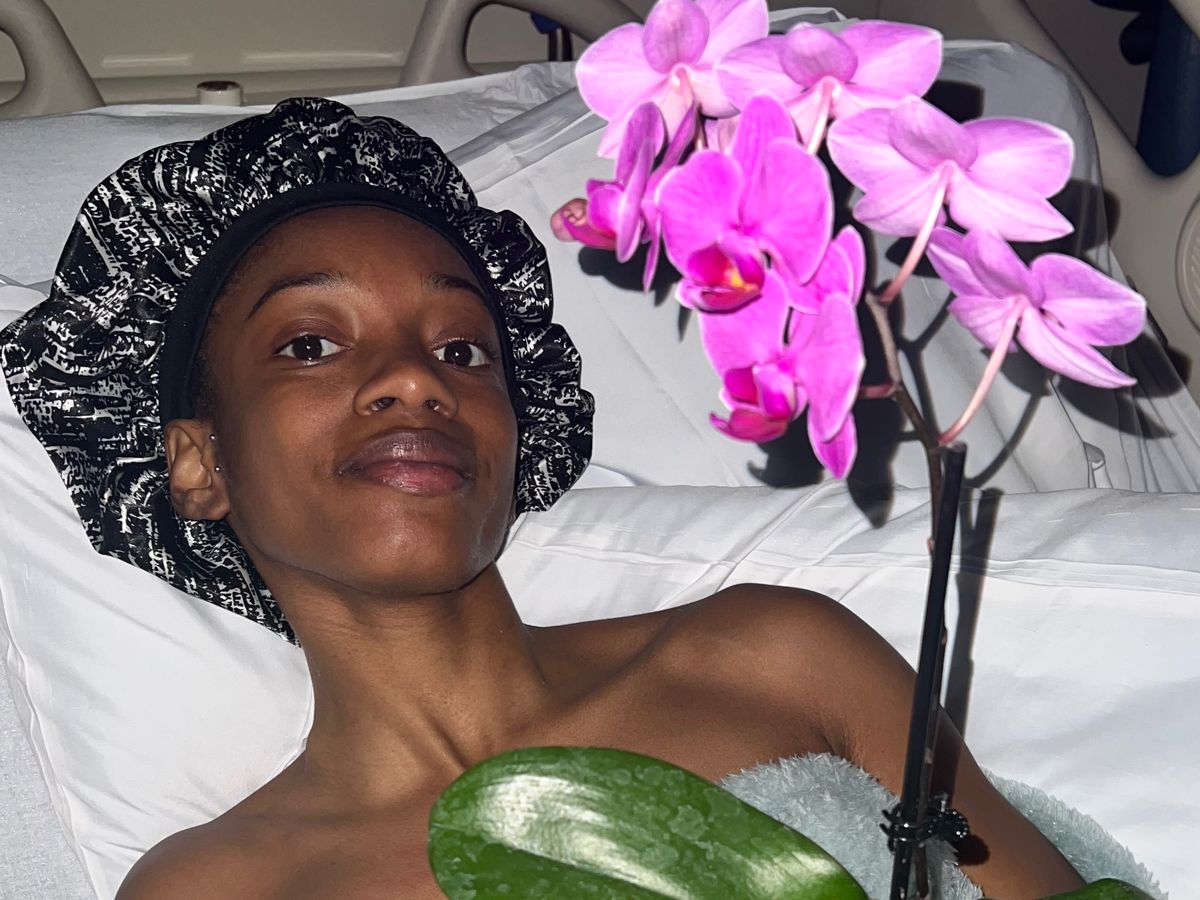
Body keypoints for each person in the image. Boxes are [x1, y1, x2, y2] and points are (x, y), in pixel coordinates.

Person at [0, 99, 1083, 899]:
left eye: (462, 349)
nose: (413, 378)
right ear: (199, 466)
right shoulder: (213, 888)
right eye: (310, 344)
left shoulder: (775, 659)